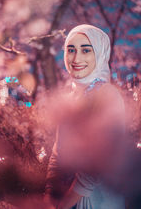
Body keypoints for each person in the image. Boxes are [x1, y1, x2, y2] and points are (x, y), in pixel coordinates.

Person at [44, 24, 125, 209]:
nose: (76, 58)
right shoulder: (71, 97)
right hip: (64, 197)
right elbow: (59, 151)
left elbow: (98, 163)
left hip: (96, 200)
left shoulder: (107, 96)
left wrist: (64, 203)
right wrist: (50, 193)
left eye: (86, 50)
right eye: (70, 50)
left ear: (99, 54)